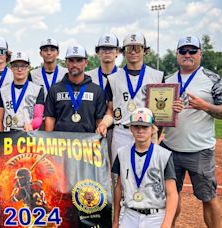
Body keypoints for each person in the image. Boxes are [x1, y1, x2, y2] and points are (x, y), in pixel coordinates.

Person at [161, 35, 222, 228]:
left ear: (200, 53)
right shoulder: (168, 80)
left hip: (200, 150)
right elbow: (159, 114)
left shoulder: (213, 79)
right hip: (170, 148)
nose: (187, 55)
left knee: (208, 197)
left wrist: (204, 106)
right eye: (183, 51)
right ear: (177, 54)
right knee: (170, 196)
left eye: (192, 51)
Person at [97, 33, 164, 167]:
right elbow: (110, 110)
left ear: (145, 51)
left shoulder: (157, 76)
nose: (133, 52)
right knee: (119, 176)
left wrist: (156, 132)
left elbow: (162, 111)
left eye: (137, 48)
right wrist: (104, 124)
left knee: (147, 175)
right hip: (121, 132)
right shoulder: (113, 78)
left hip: (146, 132)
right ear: (123, 52)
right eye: (129, 48)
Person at [112, 108, 178, 228]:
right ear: (131, 128)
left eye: (145, 127)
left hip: (156, 216)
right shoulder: (122, 153)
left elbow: (172, 193)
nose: (140, 130)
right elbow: (118, 188)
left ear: (152, 129)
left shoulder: (164, 155)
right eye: (136, 126)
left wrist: (167, 223)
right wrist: (116, 220)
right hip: (129, 214)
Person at [44, 44, 106, 132]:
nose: (75, 64)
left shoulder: (97, 90)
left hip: (87, 143)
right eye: (71, 60)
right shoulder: (55, 89)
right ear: (66, 63)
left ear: (86, 63)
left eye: (79, 60)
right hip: (60, 143)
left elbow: (99, 119)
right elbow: (50, 118)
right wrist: (48, 141)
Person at [86, 33, 120, 162]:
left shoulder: (124, 76)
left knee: (116, 170)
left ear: (117, 52)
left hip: (116, 129)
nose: (107, 52)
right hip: (93, 129)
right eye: (103, 49)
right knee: (94, 169)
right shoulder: (87, 76)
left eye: (111, 49)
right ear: (97, 52)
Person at [0, 51, 44, 131]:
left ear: (28, 67)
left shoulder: (37, 89)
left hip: (29, 133)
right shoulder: (3, 91)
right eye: (16, 66)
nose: (19, 69)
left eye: (23, 66)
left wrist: (32, 125)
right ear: (11, 68)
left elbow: (38, 117)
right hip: (8, 134)